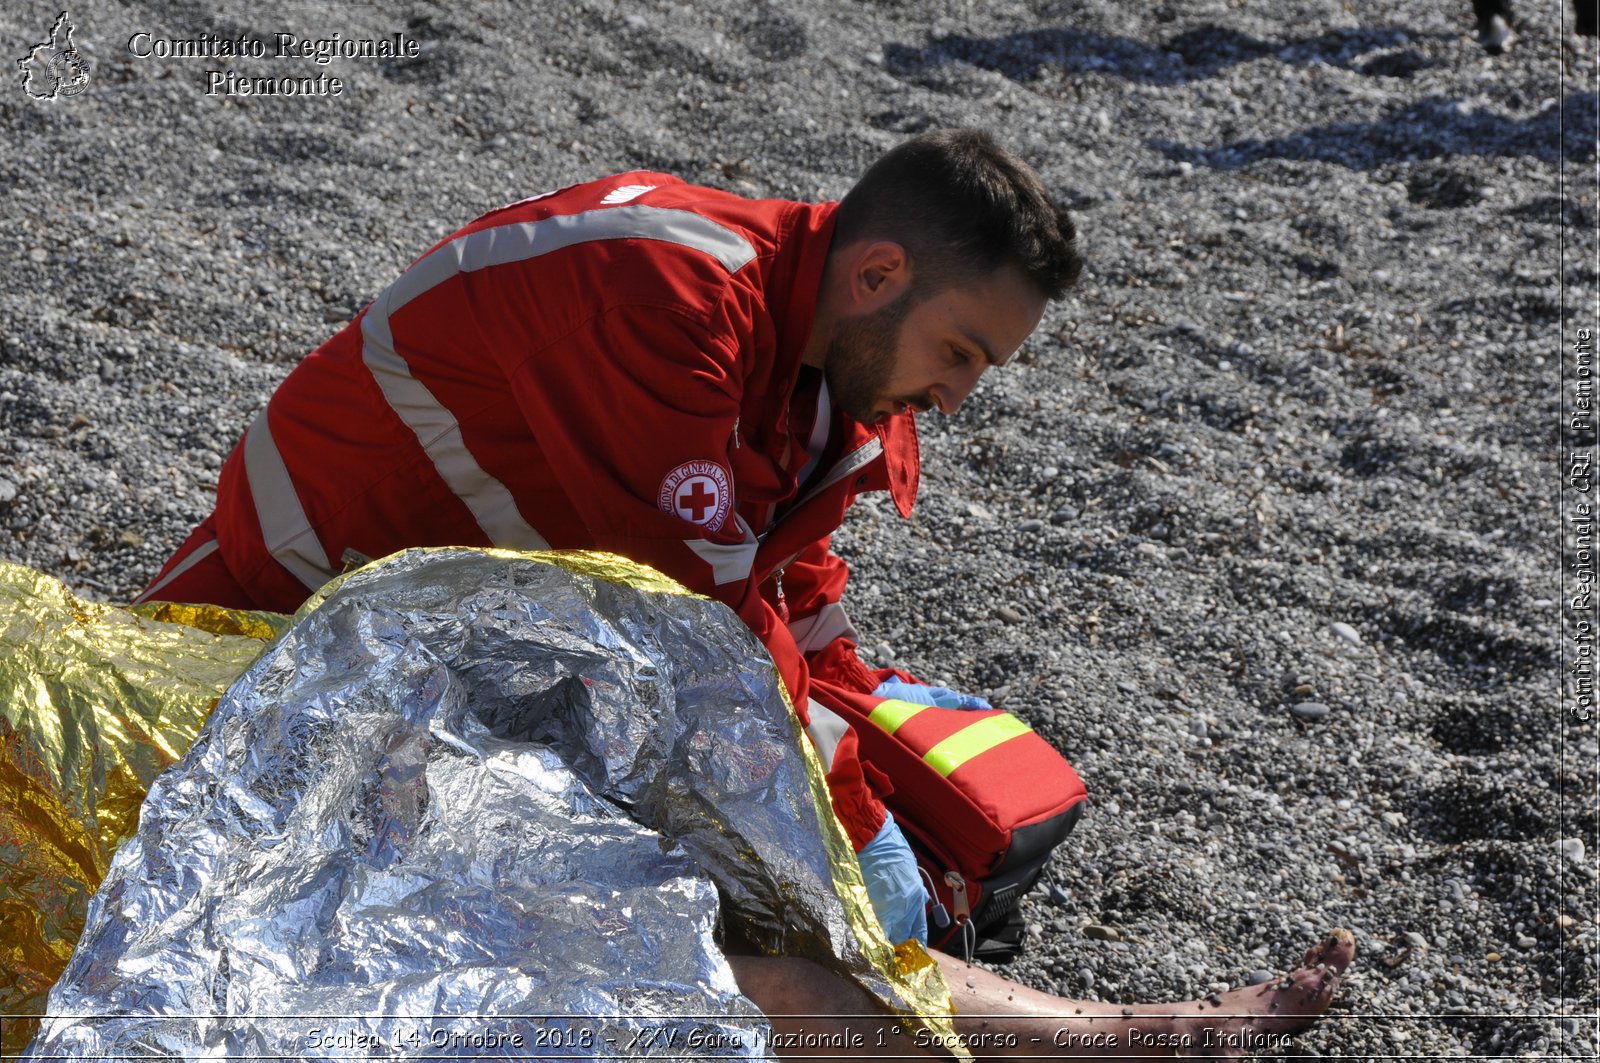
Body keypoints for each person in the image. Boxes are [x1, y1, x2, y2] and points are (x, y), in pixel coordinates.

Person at [136, 129, 1354, 1055]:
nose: (958, 397)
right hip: (290, 649)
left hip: (468, 654)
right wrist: (838, 828)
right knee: (713, 938)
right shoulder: (662, 295)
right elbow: (700, 635)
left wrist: (861, 796)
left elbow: (799, 601)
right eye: (961, 354)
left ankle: (1098, 1025)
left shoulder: (823, 363)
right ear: (877, 273)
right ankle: (1105, 1031)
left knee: (830, 885)